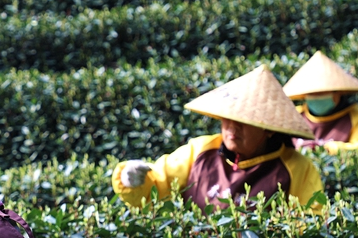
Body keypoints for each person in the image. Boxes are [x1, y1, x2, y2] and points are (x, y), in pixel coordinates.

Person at [112, 65, 323, 210]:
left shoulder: (296, 168)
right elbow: (158, 186)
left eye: (244, 121)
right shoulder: (200, 150)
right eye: (227, 118)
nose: (232, 127)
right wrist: (132, 182)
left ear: (268, 129)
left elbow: (312, 220)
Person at [282, 51, 358, 153]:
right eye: (311, 92)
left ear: (337, 92)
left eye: (322, 92)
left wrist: (330, 149)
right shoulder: (294, 115)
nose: (316, 96)